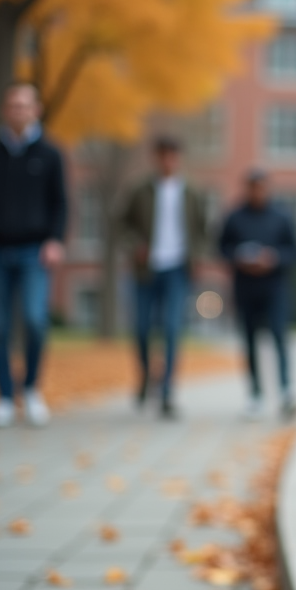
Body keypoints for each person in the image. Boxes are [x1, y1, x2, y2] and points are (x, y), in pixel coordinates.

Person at [0, 82, 67, 428]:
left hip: (35, 251)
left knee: (35, 320)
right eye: (13, 105)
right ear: (6, 110)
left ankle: (31, 388)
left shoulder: (51, 155)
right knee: (1, 326)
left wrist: (55, 240)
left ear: (35, 109)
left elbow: (60, 203)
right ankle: (5, 397)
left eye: (24, 105)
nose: (18, 111)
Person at [118, 136, 208, 417]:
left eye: (172, 155)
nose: (168, 161)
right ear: (155, 158)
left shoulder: (191, 192)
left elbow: (203, 230)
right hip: (146, 270)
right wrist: (135, 247)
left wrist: (196, 256)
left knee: (171, 329)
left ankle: (167, 390)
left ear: (178, 158)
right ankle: (146, 377)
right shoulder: (140, 190)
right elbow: (122, 224)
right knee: (142, 329)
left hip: (177, 269)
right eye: (163, 155)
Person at [218, 169, 296, 420]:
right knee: (250, 342)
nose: (257, 193)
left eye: (261, 187)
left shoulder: (281, 217)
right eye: (253, 188)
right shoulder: (235, 217)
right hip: (245, 288)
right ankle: (255, 394)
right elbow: (222, 247)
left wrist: (273, 259)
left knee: (279, 339)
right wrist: (240, 259)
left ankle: (286, 391)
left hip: (274, 288)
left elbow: (294, 250)